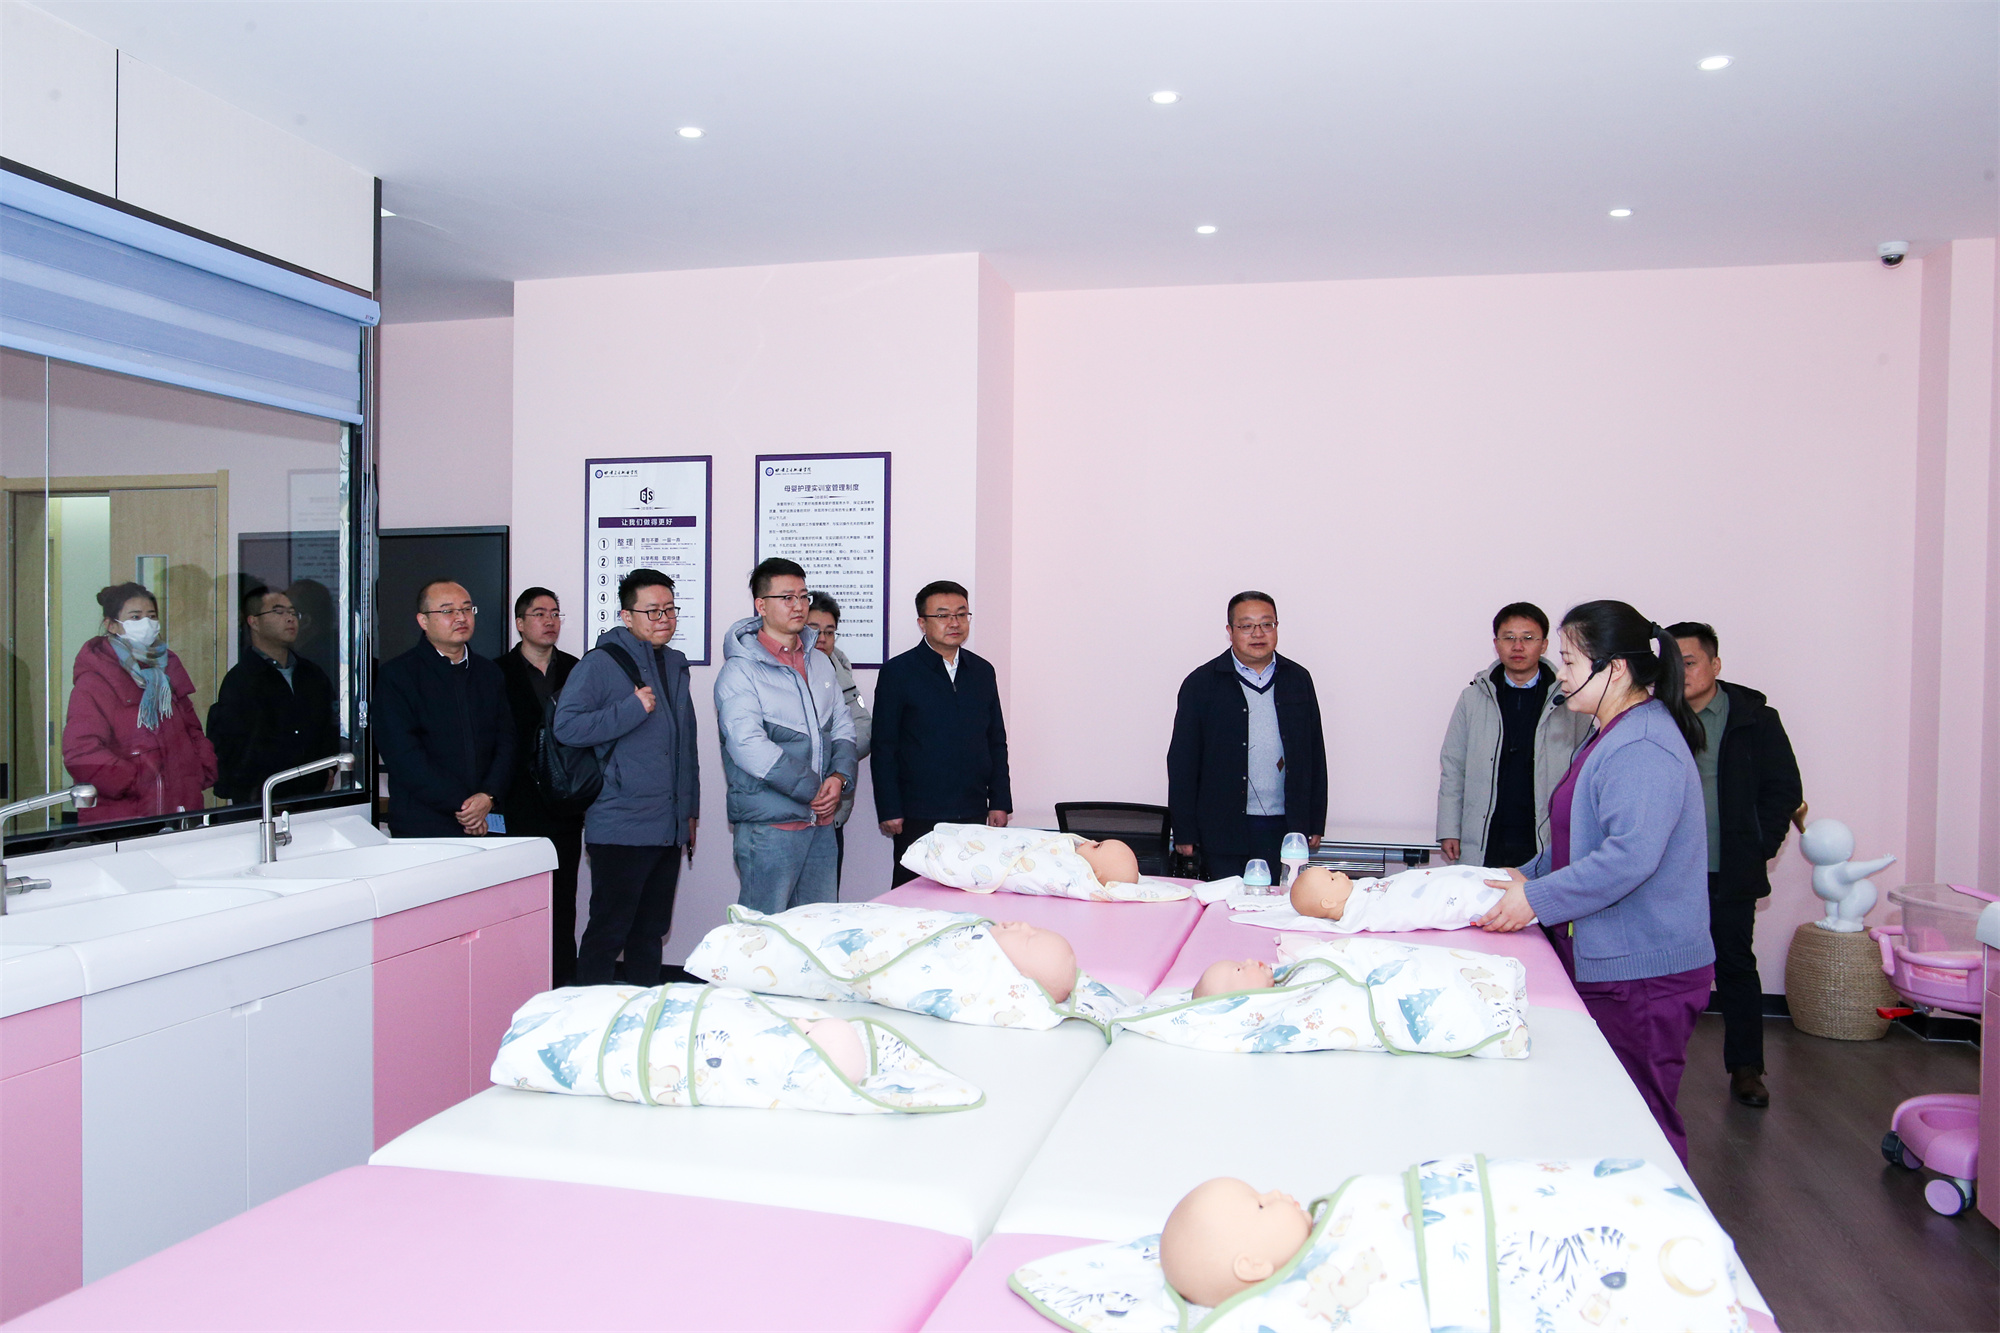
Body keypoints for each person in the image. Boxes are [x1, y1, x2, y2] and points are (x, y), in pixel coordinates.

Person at [1477, 600, 1714, 1163]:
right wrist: (1521, 875)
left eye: (1570, 660)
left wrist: (1535, 899)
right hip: (1611, 959)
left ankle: (1659, 1213)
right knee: (1599, 1112)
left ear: (1615, 669)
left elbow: (1629, 857)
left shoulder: (1643, 744)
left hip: (1644, 971)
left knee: (1639, 1118)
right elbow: (1578, 838)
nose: (1560, 674)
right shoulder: (1611, 733)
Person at [1666, 620, 1804, 1110]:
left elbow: (1784, 789)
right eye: (1672, 665)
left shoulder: (1753, 718)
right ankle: (1657, 1065)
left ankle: (1747, 1068)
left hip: (1730, 869)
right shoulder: (1655, 716)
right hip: (1665, 872)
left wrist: (1757, 845)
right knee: (1664, 971)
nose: (1681, 673)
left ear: (1715, 664)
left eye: (1689, 662)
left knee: (1735, 966)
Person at [552, 570, 700, 987]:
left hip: (667, 824)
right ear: (626, 615)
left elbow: (685, 744)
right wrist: (632, 708)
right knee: (608, 931)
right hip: (620, 823)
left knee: (650, 933)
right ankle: (588, 1013)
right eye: (652, 611)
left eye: (669, 609)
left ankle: (644, 1012)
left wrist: (689, 810)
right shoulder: (601, 663)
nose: (663, 618)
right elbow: (567, 726)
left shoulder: (674, 662)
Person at [715, 559, 857, 913]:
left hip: (820, 823)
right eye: (787, 597)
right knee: (762, 929)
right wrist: (814, 788)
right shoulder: (740, 670)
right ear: (761, 605)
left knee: (818, 926)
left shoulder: (819, 661)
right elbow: (747, 745)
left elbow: (843, 725)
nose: (798, 605)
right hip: (770, 827)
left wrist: (838, 778)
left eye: (803, 596)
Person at [1167, 591, 1327, 880]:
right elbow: (1182, 761)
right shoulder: (1202, 683)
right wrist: (1184, 830)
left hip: (1285, 828)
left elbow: (1314, 753)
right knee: (1225, 902)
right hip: (1222, 829)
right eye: (1246, 626)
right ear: (1230, 631)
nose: (1258, 634)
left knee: (1282, 902)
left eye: (1266, 624)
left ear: (1276, 627)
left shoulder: (1298, 679)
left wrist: (1314, 821)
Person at [871, 579, 1012, 887]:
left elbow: (995, 740)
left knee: (971, 888)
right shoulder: (898, 672)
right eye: (943, 615)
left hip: (973, 807)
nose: (954, 622)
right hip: (918, 811)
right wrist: (889, 808)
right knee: (913, 892)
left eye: (961, 614)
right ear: (922, 623)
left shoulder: (982, 671)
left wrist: (1000, 800)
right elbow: (884, 746)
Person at [1435, 602, 1592, 870]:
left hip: (1544, 836)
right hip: (1485, 834)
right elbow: (1453, 766)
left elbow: (1585, 771)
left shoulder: (1570, 700)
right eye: (1509, 638)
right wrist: (1449, 829)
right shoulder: (1473, 698)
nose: (1518, 646)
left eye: (1528, 638)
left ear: (1544, 645)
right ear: (1496, 644)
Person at [61, 582, 217, 824]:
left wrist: (201, 769)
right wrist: (135, 780)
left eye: (151, 616)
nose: (146, 623)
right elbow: (81, 751)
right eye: (135, 617)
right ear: (111, 625)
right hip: (125, 818)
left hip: (181, 810)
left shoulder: (167, 671)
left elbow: (192, 731)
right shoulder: (95, 681)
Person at [373, 580, 512, 838]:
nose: (461, 617)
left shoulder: (489, 673)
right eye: (448, 611)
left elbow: (506, 742)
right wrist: (465, 807)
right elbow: (403, 755)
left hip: (486, 816)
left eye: (467, 609)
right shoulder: (398, 676)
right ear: (423, 621)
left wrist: (488, 796)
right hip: (424, 823)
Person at [499, 587, 586, 986]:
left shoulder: (575, 669)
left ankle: (563, 982)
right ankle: (518, 981)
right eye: (539, 614)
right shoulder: (497, 672)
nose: (550, 621)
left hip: (564, 803)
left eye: (555, 613)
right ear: (520, 623)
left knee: (563, 898)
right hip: (516, 803)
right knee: (516, 900)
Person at [206, 586, 341, 806]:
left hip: (313, 798)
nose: (290, 618)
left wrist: (328, 771)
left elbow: (331, 728)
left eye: (293, 612)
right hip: (262, 805)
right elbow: (233, 749)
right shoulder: (241, 680)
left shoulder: (312, 674)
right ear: (254, 622)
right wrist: (255, 792)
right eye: (279, 612)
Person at [805, 591, 873, 883]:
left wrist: (836, 765)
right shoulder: (785, 671)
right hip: (793, 806)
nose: (822, 639)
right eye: (814, 630)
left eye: (829, 632)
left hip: (833, 804)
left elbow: (862, 729)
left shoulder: (840, 669)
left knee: (826, 894)